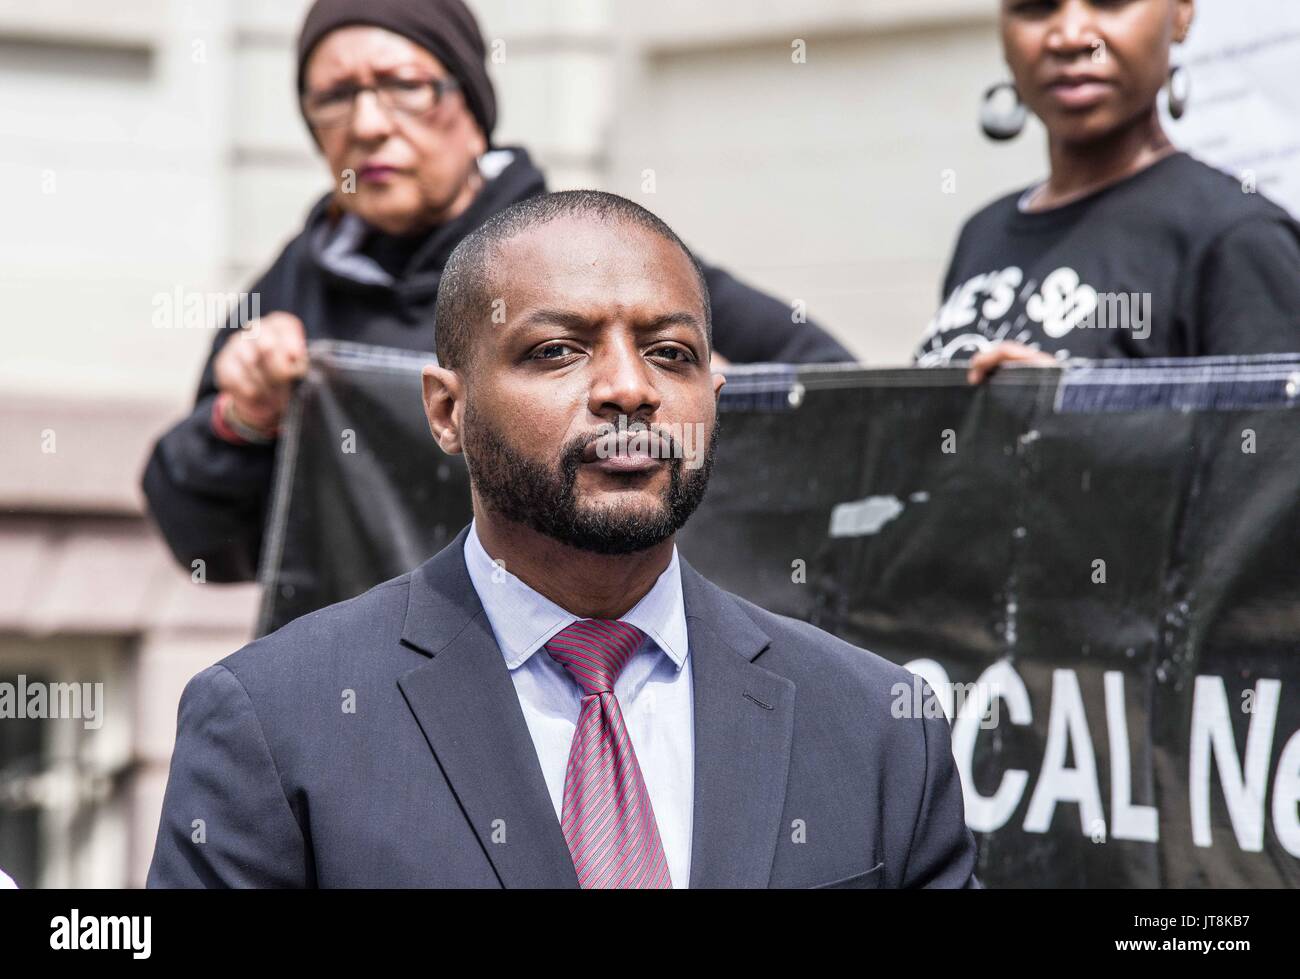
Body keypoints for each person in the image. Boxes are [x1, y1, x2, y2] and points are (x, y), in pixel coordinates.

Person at [147, 191, 978, 889]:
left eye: (670, 352)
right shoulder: (273, 720)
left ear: (713, 394)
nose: (629, 388)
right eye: (557, 350)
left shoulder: (877, 726)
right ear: (447, 409)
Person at [142, 0, 853, 583]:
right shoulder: (292, 286)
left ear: (473, 104)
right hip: (362, 701)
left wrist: (716, 408)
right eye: (333, 97)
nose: (367, 124)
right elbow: (203, 547)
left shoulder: (586, 248)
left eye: (403, 86)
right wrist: (242, 422)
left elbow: (845, 406)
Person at [915, 0, 1300, 383]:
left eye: (1109, 3)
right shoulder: (984, 232)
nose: (1069, 38)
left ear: (1181, 14)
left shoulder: (1237, 234)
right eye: (1034, 8)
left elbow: (1270, 439)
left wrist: (1080, 416)